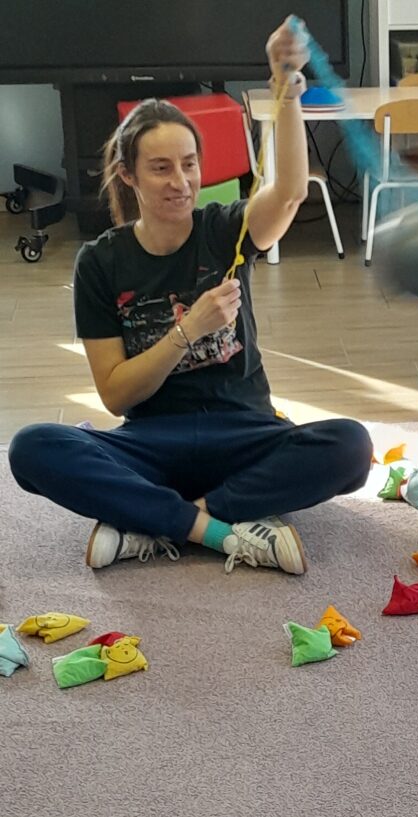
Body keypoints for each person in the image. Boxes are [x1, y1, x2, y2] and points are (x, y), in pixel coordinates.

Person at [8, 18, 372, 575]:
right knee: (32, 448)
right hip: (153, 444)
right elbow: (116, 395)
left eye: (189, 164)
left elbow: (290, 193)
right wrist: (187, 331)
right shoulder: (100, 262)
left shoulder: (223, 230)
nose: (180, 182)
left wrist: (285, 89)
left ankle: (158, 521)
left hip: (246, 434)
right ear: (128, 175)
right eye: (160, 168)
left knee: (350, 445)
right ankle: (222, 528)